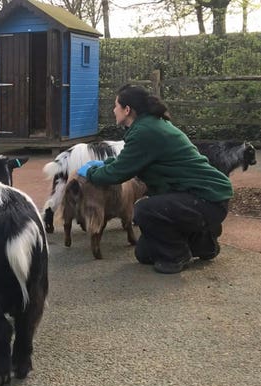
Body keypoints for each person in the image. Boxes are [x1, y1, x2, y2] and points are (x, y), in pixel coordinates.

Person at [77, 84, 233, 274]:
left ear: (127, 110)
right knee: (144, 254)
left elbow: (118, 173)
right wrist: (105, 165)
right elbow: (127, 162)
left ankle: (177, 256)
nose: (113, 110)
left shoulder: (146, 131)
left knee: (144, 209)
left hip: (206, 199)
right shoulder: (149, 125)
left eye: (116, 105)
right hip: (196, 197)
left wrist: (90, 172)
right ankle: (204, 243)